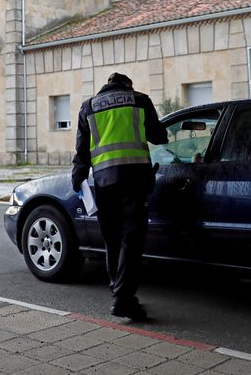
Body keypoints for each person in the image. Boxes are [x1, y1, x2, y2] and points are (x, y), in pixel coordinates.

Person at [71, 72, 167, 321]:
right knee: (131, 240)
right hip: (135, 180)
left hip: (103, 183)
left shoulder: (88, 107)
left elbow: (81, 151)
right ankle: (123, 300)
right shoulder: (139, 100)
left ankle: (118, 292)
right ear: (127, 86)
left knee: (112, 240)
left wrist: (78, 178)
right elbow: (158, 136)